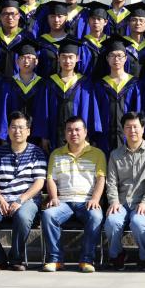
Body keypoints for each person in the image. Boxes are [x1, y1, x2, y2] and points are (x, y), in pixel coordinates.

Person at [0, 112, 46, 271]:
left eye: (21, 128)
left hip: (27, 202)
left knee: (23, 216)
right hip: (3, 201)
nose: (17, 131)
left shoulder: (37, 153)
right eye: (13, 127)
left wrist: (21, 200)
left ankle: (16, 259)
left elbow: (39, 182)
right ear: (8, 130)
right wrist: (0, 198)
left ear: (28, 131)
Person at [40, 116, 105, 273]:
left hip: (87, 201)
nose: (73, 133)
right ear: (65, 133)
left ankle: (86, 260)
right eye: (69, 130)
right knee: (48, 215)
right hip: (64, 202)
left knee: (96, 216)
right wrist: (54, 197)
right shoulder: (56, 154)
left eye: (77, 130)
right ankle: (56, 260)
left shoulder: (97, 154)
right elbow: (51, 179)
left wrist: (95, 198)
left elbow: (101, 179)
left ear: (85, 132)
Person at [104, 112, 145, 270]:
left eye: (136, 127)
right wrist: (114, 201)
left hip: (144, 202)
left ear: (143, 128)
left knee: (138, 222)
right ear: (123, 130)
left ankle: (144, 256)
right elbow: (111, 182)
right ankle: (117, 255)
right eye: (128, 127)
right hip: (122, 202)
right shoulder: (115, 155)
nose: (132, 131)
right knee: (112, 222)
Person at [33, 38, 101, 152]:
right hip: (54, 137)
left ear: (77, 58)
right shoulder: (49, 83)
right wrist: (44, 136)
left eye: (71, 57)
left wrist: (88, 134)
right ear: (58, 58)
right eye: (63, 57)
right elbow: (43, 111)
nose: (67, 61)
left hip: (79, 137)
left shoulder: (85, 84)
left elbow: (90, 111)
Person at [92, 36, 143, 154]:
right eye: (112, 55)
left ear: (126, 58)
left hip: (129, 137)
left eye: (120, 56)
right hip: (104, 138)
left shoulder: (134, 84)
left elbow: (138, 111)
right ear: (107, 58)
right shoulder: (100, 85)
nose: (116, 59)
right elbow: (95, 113)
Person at [0, 39, 44, 146]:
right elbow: (3, 111)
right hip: (13, 135)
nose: (26, 61)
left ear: (36, 62)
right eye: (22, 58)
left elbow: (45, 113)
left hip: (36, 136)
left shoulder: (43, 85)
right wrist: (3, 135)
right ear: (17, 61)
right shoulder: (8, 84)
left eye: (30, 58)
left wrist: (44, 135)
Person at [76, 2, 110, 78]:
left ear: (105, 22)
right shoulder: (81, 43)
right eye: (93, 18)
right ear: (88, 21)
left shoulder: (110, 42)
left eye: (99, 19)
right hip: (86, 83)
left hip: (106, 83)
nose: (95, 22)